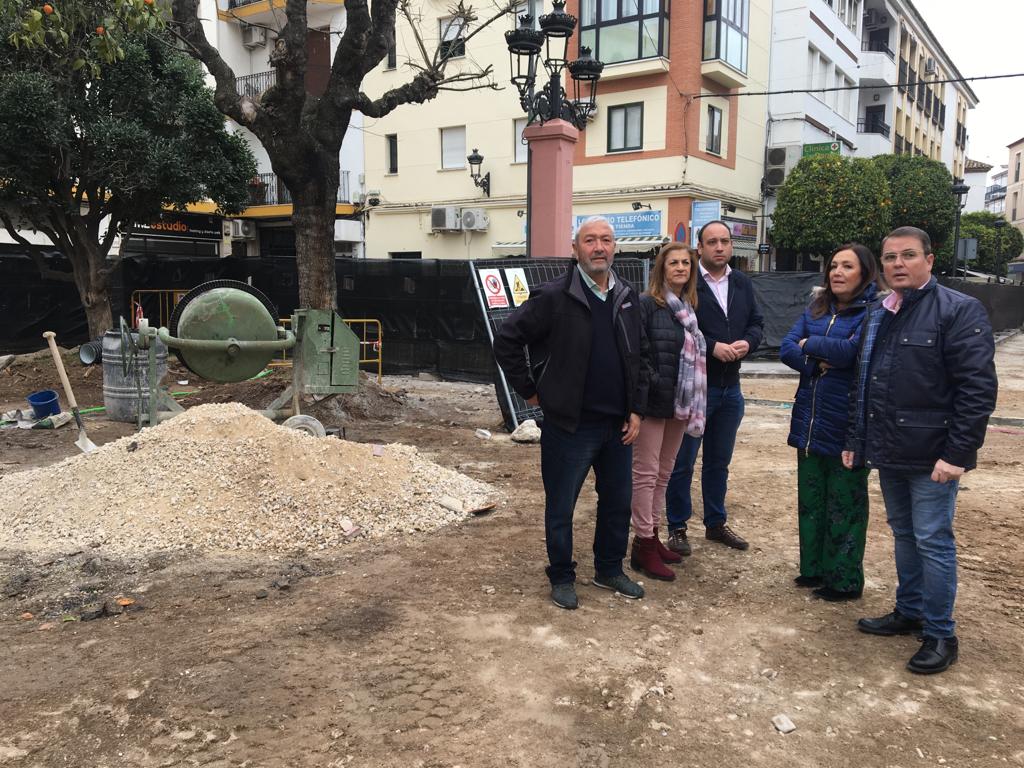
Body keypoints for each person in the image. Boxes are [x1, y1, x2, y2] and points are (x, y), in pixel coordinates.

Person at [843, 226, 997, 674]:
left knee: (933, 540)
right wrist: (858, 440)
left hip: (933, 456)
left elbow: (977, 390)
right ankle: (909, 610)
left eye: (908, 255)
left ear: (930, 260)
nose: (897, 264)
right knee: (905, 534)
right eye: (890, 257)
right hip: (890, 450)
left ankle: (940, 633)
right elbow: (865, 382)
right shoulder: (880, 311)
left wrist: (957, 454)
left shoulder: (958, 310)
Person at [492, 216, 648, 610]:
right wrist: (530, 389)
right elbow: (507, 340)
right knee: (561, 506)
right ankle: (562, 575)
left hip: (617, 426)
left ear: (615, 248)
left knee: (617, 503)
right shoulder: (553, 296)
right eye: (590, 240)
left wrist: (636, 410)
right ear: (575, 249)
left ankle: (608, 569)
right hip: (570, 426)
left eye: (606, 240)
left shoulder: (627, 295)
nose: (599, 247)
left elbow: (639, 359)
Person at [780, 244, 879, 601]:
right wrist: (814, 361)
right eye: (834, 266)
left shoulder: (872, 312)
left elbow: (851, 352)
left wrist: (810, 343)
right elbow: (786, 347)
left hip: (846, 425)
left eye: (847, 266)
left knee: (845, 504)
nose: (837, 272)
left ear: (864, 273)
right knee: (811, 500)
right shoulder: (816, 308)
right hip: (809, 422)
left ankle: (844, 580)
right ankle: (814, 569)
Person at [664, 220, 764, 555]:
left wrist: (748, 344)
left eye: (724, 241)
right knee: (682, 462)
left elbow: (757, 323)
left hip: (731, 389)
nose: (719, 247)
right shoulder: (687, 284)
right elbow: (678, 328)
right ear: (700, 247)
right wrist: (713, 345)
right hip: (696, 390)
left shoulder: (743, 283)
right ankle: (677, 526)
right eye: (712, 242)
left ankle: (715, 523)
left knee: (719, 462)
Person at [629, 243, 707, 582]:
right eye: (673, 263)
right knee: (645, 474)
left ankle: (653, 534)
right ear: (661, 268)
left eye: (686, 263)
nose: (680, 268)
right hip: (653, 402)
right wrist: (654, 385)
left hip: (681, 401)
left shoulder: (688, 308)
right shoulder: (648, 304)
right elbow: (639, 353)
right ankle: (642, 543)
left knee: (665, 472)